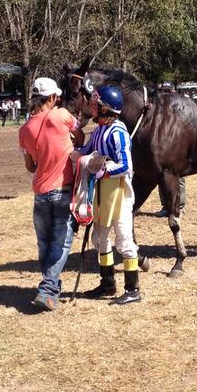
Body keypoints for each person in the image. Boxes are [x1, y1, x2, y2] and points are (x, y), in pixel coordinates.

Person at [19, 77, 84, 311]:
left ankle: (51, 286)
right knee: (61, 243)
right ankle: (47, 290)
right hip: (63, 190)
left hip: (41, 193)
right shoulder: (62, 115)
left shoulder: (25, 129)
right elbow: (81, 136)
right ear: (54, 97)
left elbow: (30, 166)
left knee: (44, 244)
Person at [75, 85, 142, 305]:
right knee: (99, 238)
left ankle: (132, 289)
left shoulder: (118, 132)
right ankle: (107, 283)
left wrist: (103, 168)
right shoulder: (98, 132)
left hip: (119, 192)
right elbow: (83, 152)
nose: (92, 108)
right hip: (101, 192)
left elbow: (126, 165)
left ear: (106, 109)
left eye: (96, 105)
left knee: (124, 239)